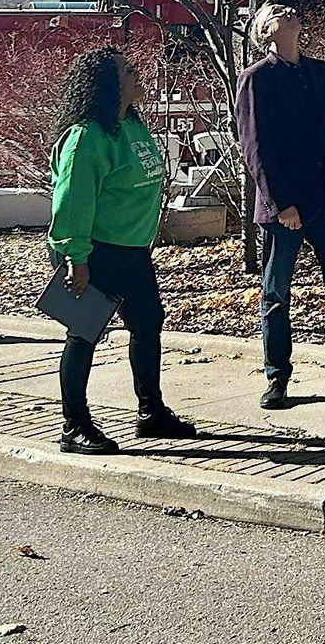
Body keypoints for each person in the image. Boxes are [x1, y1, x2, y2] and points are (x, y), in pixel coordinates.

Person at [47, 47, 198, 454]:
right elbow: (73, 202)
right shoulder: (86, 138)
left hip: (131, 251)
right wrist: (76, 258)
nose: (137, 74)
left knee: (147, 324)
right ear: (107, 84)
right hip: (91, 251)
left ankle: (151, 413)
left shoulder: (131, 125)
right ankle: (74, 426)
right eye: (128, 70)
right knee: (84, 334)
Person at [235, 2, 325, 409]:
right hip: (286, 209)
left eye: (291, 8)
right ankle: (277, 377)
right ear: (265, 32)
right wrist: (281, 203)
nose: (291, 11)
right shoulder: (256, 79)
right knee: (276, 293)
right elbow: (255, 148)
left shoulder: (324, 74)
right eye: (279, 11)